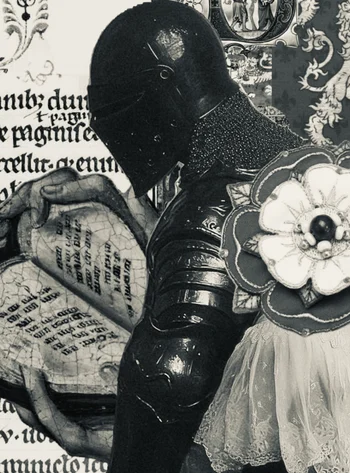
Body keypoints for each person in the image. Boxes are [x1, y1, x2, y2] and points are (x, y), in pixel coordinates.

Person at [0, 2, 304, 471]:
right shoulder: (307, 158)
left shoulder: (209, 206)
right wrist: (114, 217)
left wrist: (112, 450)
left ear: (162, 85)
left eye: (114, 110)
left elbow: (171, 379)